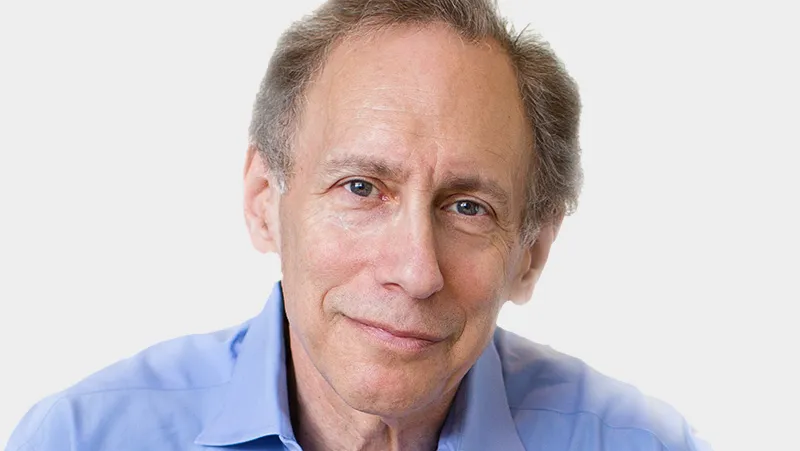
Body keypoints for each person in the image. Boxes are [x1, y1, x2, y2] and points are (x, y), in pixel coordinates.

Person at [6, 1, 711, 450]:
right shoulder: (81, 438)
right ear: (262, 201)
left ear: (532, 252)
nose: (414, 269)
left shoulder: (641, 442)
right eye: (361, 186)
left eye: (469, 206)